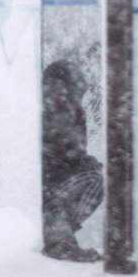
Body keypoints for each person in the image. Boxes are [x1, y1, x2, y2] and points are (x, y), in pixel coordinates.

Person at [42, 60, 104, 262]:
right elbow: (61, 152)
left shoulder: (69, 111)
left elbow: (69, 151)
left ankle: (61, 237)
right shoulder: (58, 112)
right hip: (49, 181)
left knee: (92, 180)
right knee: (93, 181)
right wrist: (83, 163)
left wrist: (84, 160)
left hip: (54, 178)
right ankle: (59, 241)